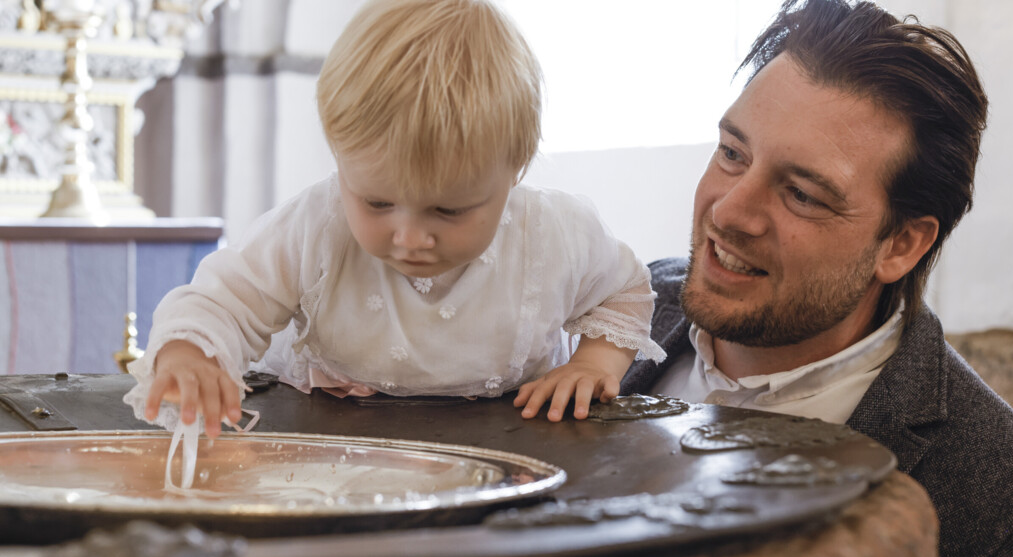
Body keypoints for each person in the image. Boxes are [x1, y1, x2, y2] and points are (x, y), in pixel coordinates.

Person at [124, 0, 665, 439]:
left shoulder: (551, 233)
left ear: (515, 170)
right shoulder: (318, 225)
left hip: (509, 443)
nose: (410, 238)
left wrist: (595, 362)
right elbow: (225, 300)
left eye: (448, 210)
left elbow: (624, 291)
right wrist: (192, 354)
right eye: (377, 204)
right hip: (332, 438)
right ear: (340, 160)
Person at [622, 1, 1013, 557]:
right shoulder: (610, 306)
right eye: (733, 152)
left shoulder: (999, 495)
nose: (729, 212)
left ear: (901, 244)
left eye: (802, 194)